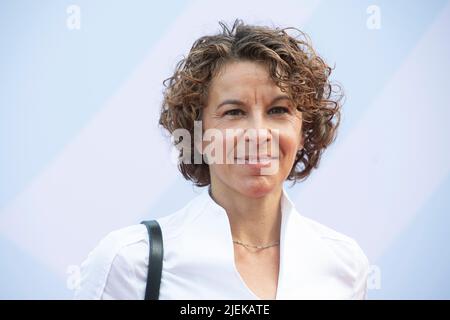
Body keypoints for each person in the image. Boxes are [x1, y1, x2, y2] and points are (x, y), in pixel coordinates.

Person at [74, 19, 369, 300]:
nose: (258, 133)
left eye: (279, 110)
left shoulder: (344, 265)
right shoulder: (130, 262)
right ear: (197, 133)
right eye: (234, 112)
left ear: (303, 130)